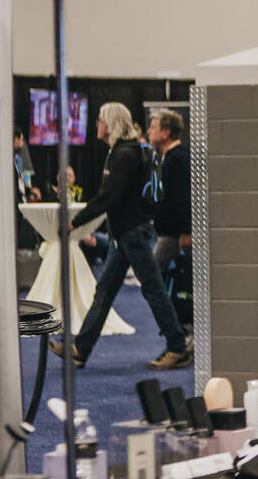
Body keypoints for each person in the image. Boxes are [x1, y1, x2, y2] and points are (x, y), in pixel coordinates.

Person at [49, 102, 191, 370]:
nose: (97, 126)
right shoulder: (122, 152)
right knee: (105, 291)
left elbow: (108, 197)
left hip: (132, 233)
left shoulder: (124, 155)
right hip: (124, 234)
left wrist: (74, 223)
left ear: (111, 123)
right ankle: (81, 348)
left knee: (153, 289)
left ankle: (177, 347)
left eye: (100, 120)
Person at [147, 108, 191, 275]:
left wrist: (187, 231)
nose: (149, 131)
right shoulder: (170, 157)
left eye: (153, 127)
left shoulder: (177, 158)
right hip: (171, 232)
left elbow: (184, 196)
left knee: (152, 278)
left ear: (166, 133)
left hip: (175, 234)